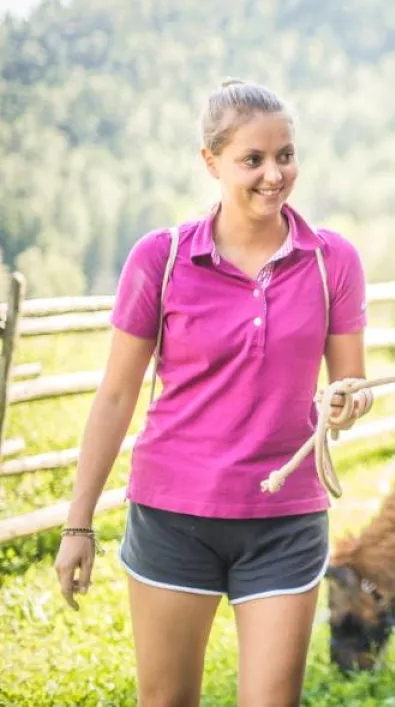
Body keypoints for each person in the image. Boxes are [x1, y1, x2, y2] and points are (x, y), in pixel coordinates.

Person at [53, 79, 371, 706]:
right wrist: (78, 523)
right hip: (174, 515)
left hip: (285, 519)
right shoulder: (161, 258)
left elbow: (350, 387)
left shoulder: (334, 260)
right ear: (211, 162)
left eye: (285, 155)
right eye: (252, 160)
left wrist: (348, 404)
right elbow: (116, 397)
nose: (274, 175)